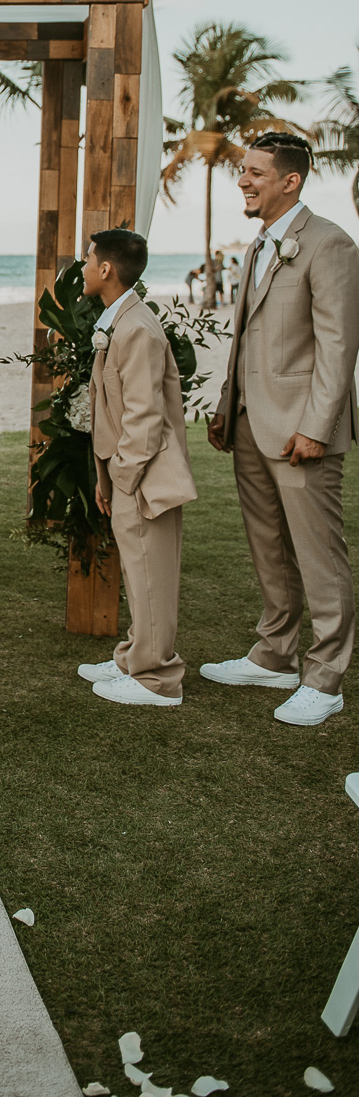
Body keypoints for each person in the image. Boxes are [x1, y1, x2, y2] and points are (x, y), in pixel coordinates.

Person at [203, 134, 359, 727]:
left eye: (256, 173)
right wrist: (226, 404)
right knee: (269, 549)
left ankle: (325, 677)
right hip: (249, 424)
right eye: (243, 171)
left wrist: (317, 426)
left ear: (290, 180)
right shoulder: (257, 246)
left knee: (319, 556)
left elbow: (339, 345)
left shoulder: (330, 244)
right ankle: (274, 653)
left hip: (301, 431)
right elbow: (247, 338)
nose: (243, 181)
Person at [78, 228, 196, 708]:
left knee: (152, 574)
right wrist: (106, 478)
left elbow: (145, 416)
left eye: (87, 258)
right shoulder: (119, 319)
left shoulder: (136, 328)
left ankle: (157, 679)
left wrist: (123, 478)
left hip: (146, 476)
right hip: (127, 473)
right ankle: (134, 657)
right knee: (140, 571)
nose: (82, 266)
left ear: (106, 269)